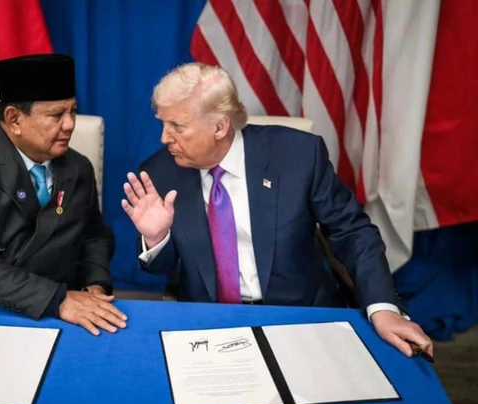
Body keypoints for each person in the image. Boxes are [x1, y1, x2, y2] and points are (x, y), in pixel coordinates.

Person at [122, 63, 432, 358]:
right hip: (209, 323)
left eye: (177, 126)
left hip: (300, 316)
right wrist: (156, 239)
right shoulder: (159, 173)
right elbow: (160, 268)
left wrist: (383, 307)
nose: (164, 138)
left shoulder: (298, 155)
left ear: (220, 126)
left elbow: (352, 232)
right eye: (163, 123)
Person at [0, 54, 127, 336]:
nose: (69, 124)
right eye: (56, 115)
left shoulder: (78, 167)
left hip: (52, 313)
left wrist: (95, 286)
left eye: (73, 111)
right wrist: (58, 300)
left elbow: (93, 236)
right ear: (14, 119)